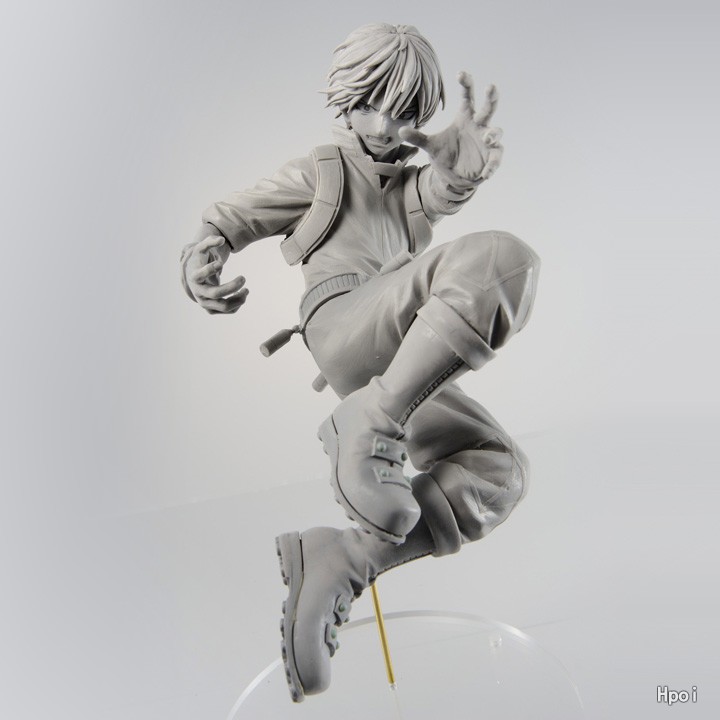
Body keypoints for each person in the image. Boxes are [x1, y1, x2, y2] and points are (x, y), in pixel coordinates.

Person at [181, 23, 540, 702]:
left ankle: (345, 561)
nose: (385, 127)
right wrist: (202, 257)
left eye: (405, 114)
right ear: (346, 98)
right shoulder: (322, 174)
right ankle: (368, 425)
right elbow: (233, 217)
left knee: (499, 471)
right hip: (348, 324)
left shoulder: (405, 186)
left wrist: (459, 173)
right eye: (372, 105)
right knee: (504, 259)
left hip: (400, 358)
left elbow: (433, 195)